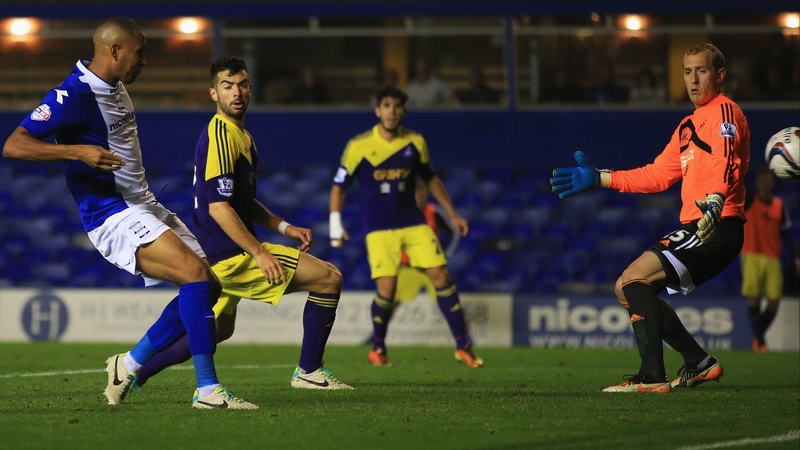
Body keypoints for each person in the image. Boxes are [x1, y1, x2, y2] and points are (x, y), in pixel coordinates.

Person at [2, 18, 256, 409]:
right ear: (115, 51)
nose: (145, 62)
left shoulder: (117, 88)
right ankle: (207, 390)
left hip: (143, 203)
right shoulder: (73, 94)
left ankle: (129, 363)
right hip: (111, 212)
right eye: (140, 52)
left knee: (209, 287)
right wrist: (75, 151)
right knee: (194, 276)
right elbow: (14, 145)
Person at [134, 55, 352, 390]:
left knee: (217, 330)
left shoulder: (241, 137)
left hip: (219, 255)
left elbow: (240, 201)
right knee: (328, 278)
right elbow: (220, 207)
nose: (236, 92)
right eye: (227, 86)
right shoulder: (221, 134)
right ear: (213, 94)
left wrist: (283, 227)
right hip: (231, 255)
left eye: (242, 84)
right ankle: (308, 371)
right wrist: (260, 253)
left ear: (250, 89)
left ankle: (132, 373)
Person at [551, 43, 750, 393]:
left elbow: (726, 159)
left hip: (717, 224)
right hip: (699, 226)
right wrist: (601, 177)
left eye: (701, 71)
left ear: (719, 75)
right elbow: (656, 175)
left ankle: (652, 377)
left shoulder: (725, 112)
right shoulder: (687, 126)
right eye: (687, 71)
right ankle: (699, 362)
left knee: (633, 278)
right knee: (626, 288)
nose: (693, 79)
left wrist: (717, 198)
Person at [328, 86, 483, 368]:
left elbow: (431, 179)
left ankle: (463, 346)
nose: (392, 111)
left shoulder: (415, 142)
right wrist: (335, 225)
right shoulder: (358, 146)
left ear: (404, 111)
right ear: (378, 111)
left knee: (441, 276)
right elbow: (339, 187)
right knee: (388, 289)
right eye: (386, 105)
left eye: (397, 106)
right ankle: (378, 348)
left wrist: (453, 214)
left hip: (414, 221)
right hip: (379, 227)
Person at [741, 169, 800, 352]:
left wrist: (796, 256)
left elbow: (786, 233)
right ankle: (761, 342)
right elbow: (738, 186)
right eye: (762, 179)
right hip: (751, 254)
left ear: (773, 182)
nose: (765, 183)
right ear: (757, 182)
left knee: (774, 300)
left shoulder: (779, 206)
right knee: (754, 296)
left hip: (773, 257)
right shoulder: (750, 201)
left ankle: (757, 336)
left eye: (768, 180)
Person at [395, 178, 460, 303]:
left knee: (448, 299)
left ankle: (460, 322)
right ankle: (381, 323)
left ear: (426, 193)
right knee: (392, 301)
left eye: (421, 192)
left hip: (432, 266)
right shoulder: (401, 214)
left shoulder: (434, 213)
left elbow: (454, 233)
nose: (417, 196)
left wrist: (445, 254)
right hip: (409, 267)